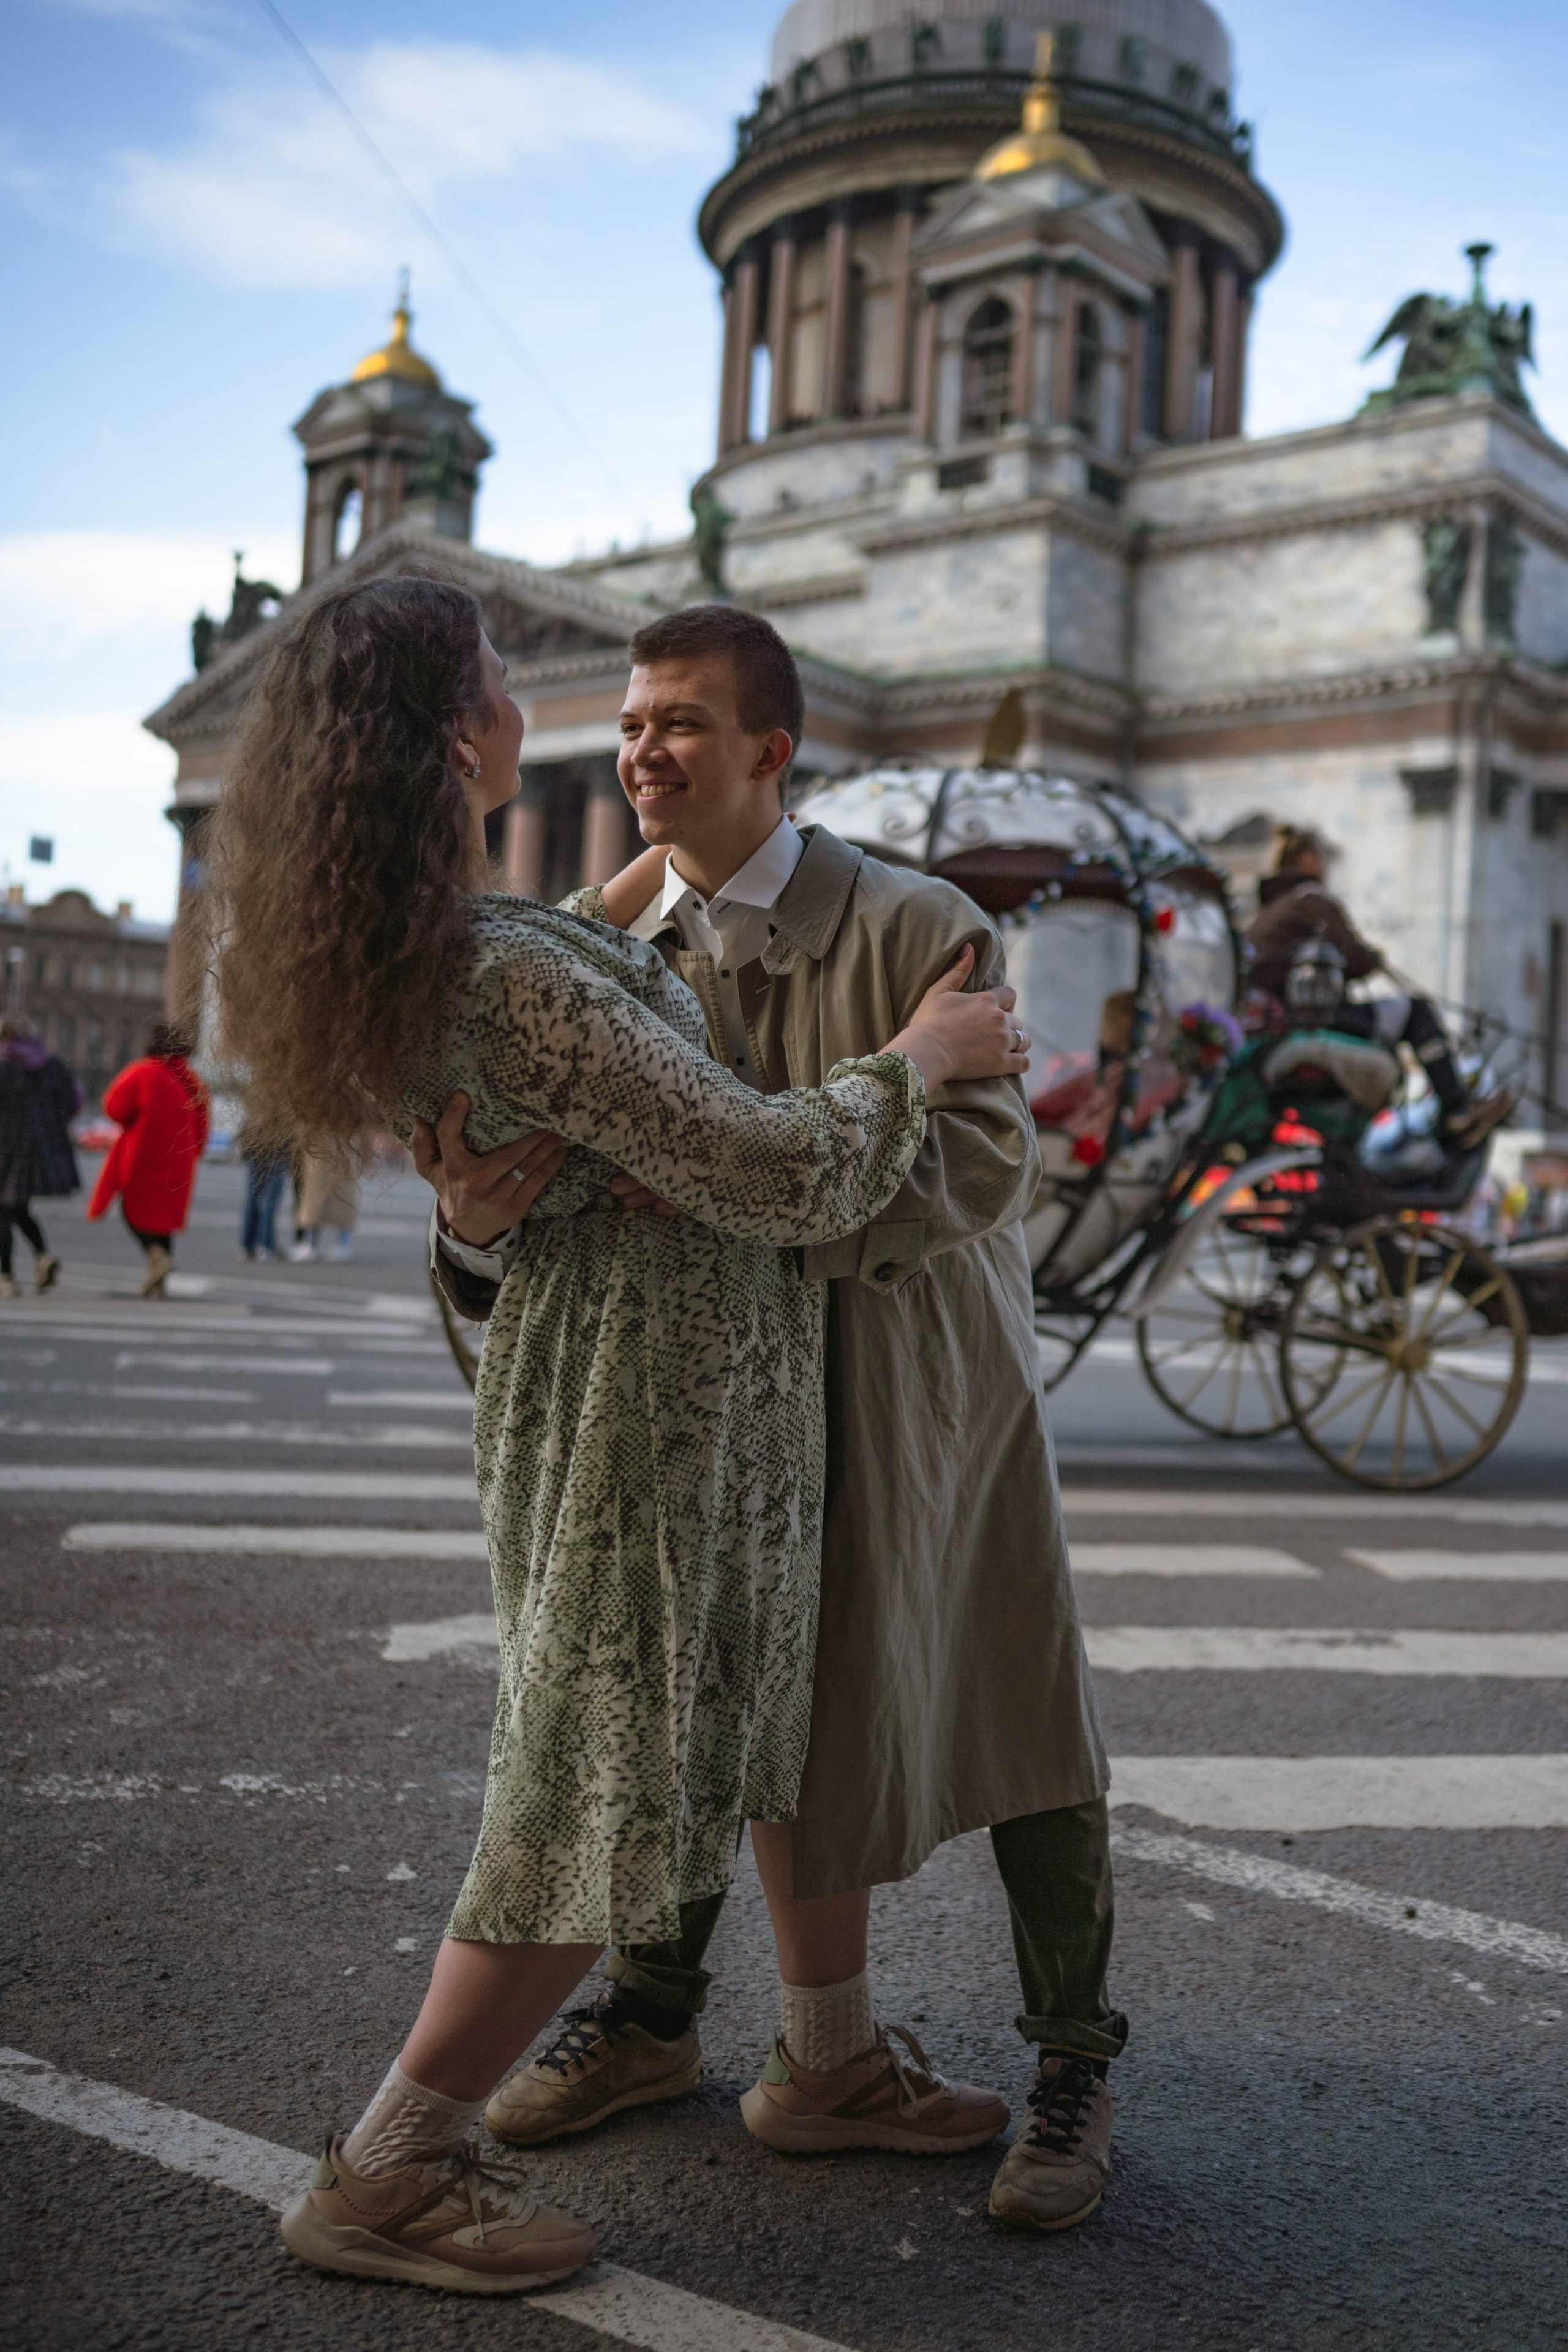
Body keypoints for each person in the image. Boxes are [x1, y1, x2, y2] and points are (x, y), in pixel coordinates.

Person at [205, 575, 1026, 2297]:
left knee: (710, 1732)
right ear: (456, 737)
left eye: (666, 726)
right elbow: (772, 1165)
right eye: (517, 685)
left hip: (690, 1397)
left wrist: (679, 846)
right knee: (600, 1785)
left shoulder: (496, 932)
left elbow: (588, 1034)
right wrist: (921, 1053)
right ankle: (392, 2163)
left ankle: (827, 2056)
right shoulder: (506, 964)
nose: (570, 722)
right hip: (650, 1415)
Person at [421, 605, 1118, 2236]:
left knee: (1020, 1702)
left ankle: (1076, 2058)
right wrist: (466, 1220)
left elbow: (986, 1162)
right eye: (634, 720)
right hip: (697, 1414)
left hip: (910, 1392)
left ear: (771, 753)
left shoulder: (914, 920)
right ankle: (663, 2023)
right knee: (694, 1699)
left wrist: (740, 1203)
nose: (643, 749)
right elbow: (506, 1186)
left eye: (679, 722)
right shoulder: (589, 939)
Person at [1246, 827, 1509, 1147]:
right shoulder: (1311, 900)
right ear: (1309, 860)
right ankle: (1456, 1109)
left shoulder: (1271, 909)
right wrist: (1375, 959)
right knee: (1416, 1011)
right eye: (1323, 859)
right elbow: (1353, 957)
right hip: (1308, 1018)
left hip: (1279, 1018)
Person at [86, 1022, 208, 1298]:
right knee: (164, 1221)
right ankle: (159, 1279)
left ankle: (156, 1258)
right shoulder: (191, 1080)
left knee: (132, 1212)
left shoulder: (144, 1072)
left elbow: (114, 1107)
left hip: (143, 1157)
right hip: (179, 1163)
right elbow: (203, 1125)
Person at [0, 1017, 78, 1298]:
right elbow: (75, 1101)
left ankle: (6, 1277)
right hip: (41, 1149)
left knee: (4, 1212)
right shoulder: (54, 1066)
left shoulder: (4, 1064)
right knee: (17, 1207)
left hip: (5, 1149)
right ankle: (43, 1256)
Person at [239, 1144, 288, 1261]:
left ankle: (248, 1244)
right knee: (270, 1201)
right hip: (277, 1147)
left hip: (255, 1146)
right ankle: (267, 1245)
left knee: (253, 1197)